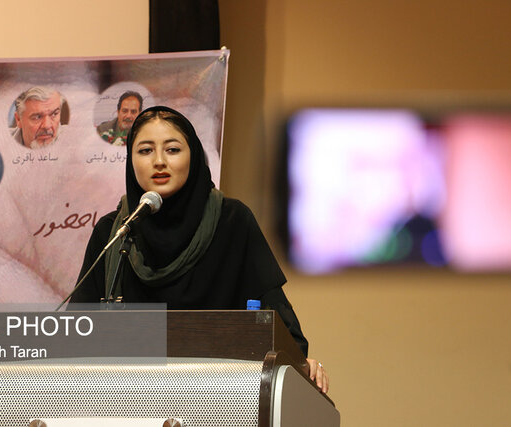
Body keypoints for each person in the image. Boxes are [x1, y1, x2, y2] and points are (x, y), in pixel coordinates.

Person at [70, 106, 329, 393]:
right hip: (126, 398)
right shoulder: (114, 232)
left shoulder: (232, 221)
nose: (159, 161)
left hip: (219, 397)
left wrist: (298, 362)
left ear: (192, 155)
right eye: (145, 151)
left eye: (172, 150)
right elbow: (75, 334)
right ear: (131, 161)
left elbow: (278, 322)